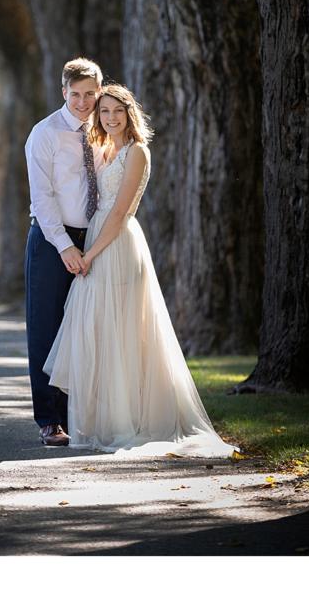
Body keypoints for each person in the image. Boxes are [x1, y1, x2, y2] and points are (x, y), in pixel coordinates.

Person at [44, 83, 238, 458]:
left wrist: (90, 255)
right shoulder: (102, 148)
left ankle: (130, 420)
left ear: (129, 113)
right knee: (99, 328)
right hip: (98, 239)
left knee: (124, 329)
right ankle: (102, 419)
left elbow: (120, 213)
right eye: (104, 111)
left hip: (116, 244)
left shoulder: (138, 152)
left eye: (117, 111)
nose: (110, 117)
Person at [24, 56, 103, 446]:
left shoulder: (107, 129)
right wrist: (65, 246)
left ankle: (83, 414)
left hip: (96, 237)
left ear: (99, 92)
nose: (83, 102)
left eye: (90, 94)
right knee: (47, 328)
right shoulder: (45, 134)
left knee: (88, 327)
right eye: (76, 94)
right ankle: (50, 420)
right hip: (53, 238)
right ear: (63, 92)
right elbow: (43, 198)